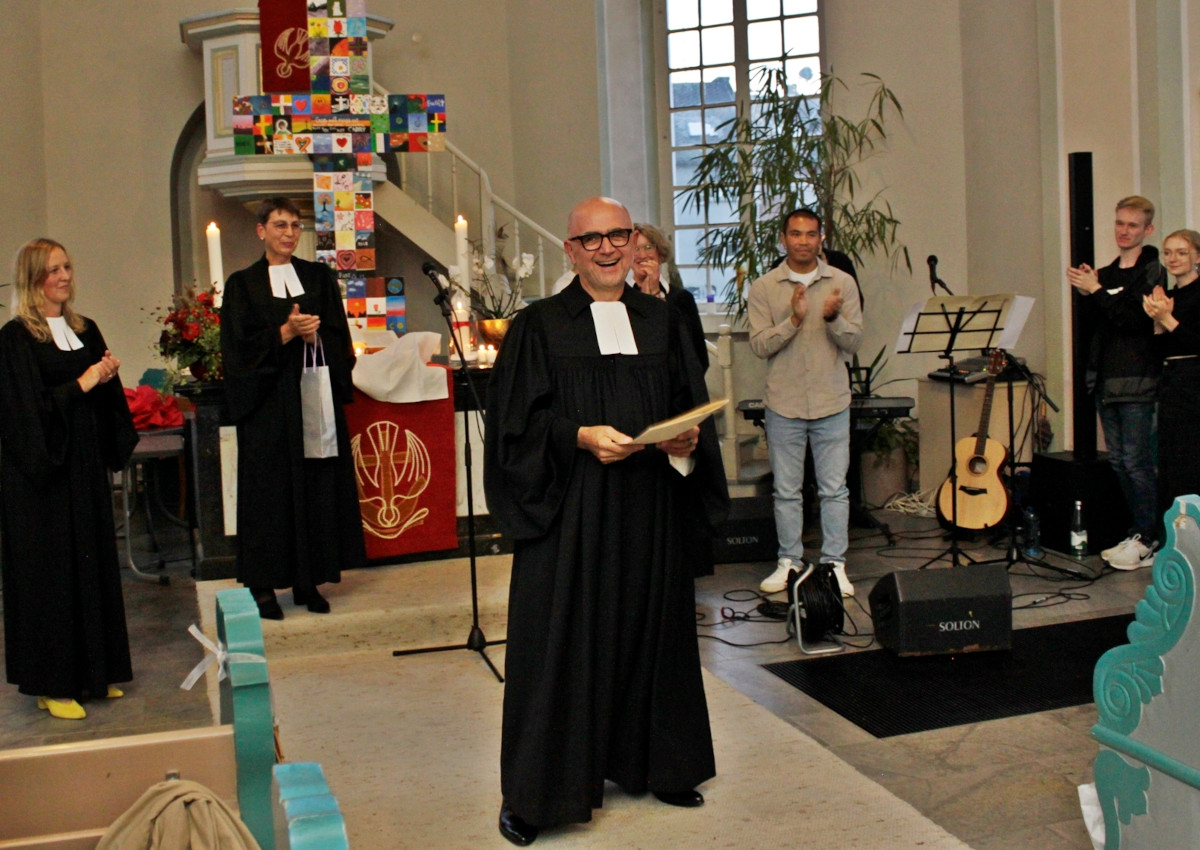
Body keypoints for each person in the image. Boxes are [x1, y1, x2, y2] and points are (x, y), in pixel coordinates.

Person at [484, 197, 729, 845]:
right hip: (571, 514)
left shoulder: (661, 320)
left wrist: (686, 443)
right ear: (571, 251)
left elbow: (688, 406)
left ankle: (660, 763)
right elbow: (514, 430)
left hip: (649, 508)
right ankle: (535, 795)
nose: (607, 248)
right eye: (590, 239)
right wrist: (578, 436)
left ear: (634, 241)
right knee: (560, 643)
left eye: (617, 235)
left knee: (653, 634)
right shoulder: (539, 326)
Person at [0, 238, 137, 720]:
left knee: (91, 565)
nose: (64, 276)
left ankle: (93, 675)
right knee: (51, 577)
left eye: (67, 267)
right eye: (53, 269)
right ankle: (52, 684)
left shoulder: (85, 328)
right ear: (34, 277)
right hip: (41, 479)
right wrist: (84, 382)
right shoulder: (15, 338)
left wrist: (107, 375)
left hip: (82, 467)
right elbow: (22, 413)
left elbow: (102, 397)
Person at [220, 197, 366, 619]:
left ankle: (309, 579)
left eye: (295, 226)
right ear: (261, 230)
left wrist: (313, 336)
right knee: (269, 494)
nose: (288, 233)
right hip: (266, 407)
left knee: (314, 487)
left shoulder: (318, 277)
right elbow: (237, 349)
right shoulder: (242, 285)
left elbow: (340, 338)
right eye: (279, 225)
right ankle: (263, 586)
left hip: (311, 400)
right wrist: (283, 332)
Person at [748, 208, 862, 597]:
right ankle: (788, 561)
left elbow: (855, 342)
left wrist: (833, 319)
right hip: (785, 403)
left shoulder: (843, 283)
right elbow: (760, 345)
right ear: (784, 239)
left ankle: (834, 564)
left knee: (835, 490)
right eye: (795, 234)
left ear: (820, 238)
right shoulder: (765, 287)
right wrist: (794, 321)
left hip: (832, 401)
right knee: (787, 490)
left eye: (810, 234)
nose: (802, 241)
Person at [1067, 196, 1165, 569]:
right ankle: (1137, 532)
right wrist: (1087, 291)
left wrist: (1097, 292)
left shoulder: (1152, 269)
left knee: (1139, 462)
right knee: (1120, 462)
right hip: (1106, 379)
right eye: (1120, 224)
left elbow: (1132, 319)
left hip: (1139, 379)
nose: (1124, 231)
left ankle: (1150, 536)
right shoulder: (1106, 274)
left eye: (1133, 225)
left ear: (1147, 229)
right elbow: (1099, 323)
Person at [1143, 229, 1200, 549]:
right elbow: (1159, 352)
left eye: (1181, 252)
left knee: (1190, 462)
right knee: (1168, 464)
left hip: (1194, 383)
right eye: (1168, 252)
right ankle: (1171, 543)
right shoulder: (1166, 294)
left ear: (1197, 258)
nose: (1173, 258)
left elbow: (1194, 342)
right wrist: (1156, 323)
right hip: (1171, 380)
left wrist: (1167, 317)